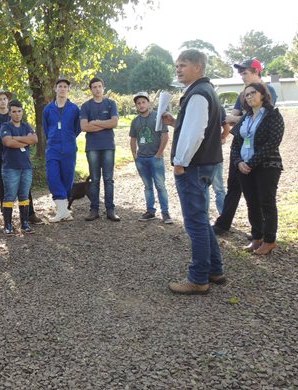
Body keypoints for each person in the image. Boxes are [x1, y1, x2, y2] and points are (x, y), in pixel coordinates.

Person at [161, 49, 225, 295]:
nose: (178, 69)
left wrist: (180, 162)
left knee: (195, 224)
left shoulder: (198, 94)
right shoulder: (206, 91)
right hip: (205, 164)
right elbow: (198, 127)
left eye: (183, 65)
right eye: (177, 65)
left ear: (198, 67)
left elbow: (196, 133)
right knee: (201, 220)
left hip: (193, 166)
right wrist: (175, 123)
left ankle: (198, 279)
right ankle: (215, 269)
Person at [213, 59, 277, 235]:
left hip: (259, 150)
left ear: (256, 72)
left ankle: (263, 233)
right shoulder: (243, 94)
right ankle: (223, 224)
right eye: (240, 73)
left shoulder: (268, 91)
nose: (242, 76)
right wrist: (234, 119)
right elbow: (232, 118)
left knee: (260, 195)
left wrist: (237, 119)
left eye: (245, 73)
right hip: (240, 145)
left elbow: (261, 117)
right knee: (233, 186)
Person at [230, 82, 284, 256]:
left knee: (266, 203)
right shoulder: (245, 118)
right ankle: (257, 237)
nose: (250, 96)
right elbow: (235, 143)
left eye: (253, 93)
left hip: (267, 166)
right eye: (246, 95)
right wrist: (239, 162)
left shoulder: (272, 115)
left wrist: (251, 162)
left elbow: (273, 142)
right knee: (251, 203)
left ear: (262, 94)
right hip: (244, 167)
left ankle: (270, 240)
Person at [0, 89, 43, 224]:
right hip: (0, 153)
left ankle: (30, 214)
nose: (3, 101)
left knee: (25, 185)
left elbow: (31, 136)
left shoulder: (16, 115)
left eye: (5, 98)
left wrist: (18, 140)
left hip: (18, 154)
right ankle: (6, 215)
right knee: (3, 184)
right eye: (0, 99)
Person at [80, 77, 120, 221]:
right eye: (94, 87)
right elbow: (84, 127)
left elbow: (114, 122)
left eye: (99, 86)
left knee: (109, 179)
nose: (97, 89)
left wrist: (96, 123)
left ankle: (110, 210)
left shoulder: (111, 104)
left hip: (108, 146)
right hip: (92, 147)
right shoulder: (85, 106)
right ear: (91, 89)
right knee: (95, 179)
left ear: (103, 87)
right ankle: (94, 209)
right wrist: (105, 124)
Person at [129, 91, 172, 224]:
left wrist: (159, 154)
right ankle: (150, 211)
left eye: (143, 102)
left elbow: (165, 136)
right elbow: (133, 139)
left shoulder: (158, 117)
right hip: (142, 158)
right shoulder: (135, 121)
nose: (141, 105)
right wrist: (135, 156)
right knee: (147, 186)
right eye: (138, 103)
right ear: (136, 106)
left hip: (155, 157)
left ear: (148, 103)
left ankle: (165, 212)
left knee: (160, 185)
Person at [43, 77, 81, 222]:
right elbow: (46, 128)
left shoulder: (74, 109)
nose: (62, 89)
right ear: (55, 89)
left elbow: (77, 128)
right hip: (53, 148)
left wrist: (69, 137)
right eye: (60, 86)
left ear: (68, 89)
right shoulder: (48, 109)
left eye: (65, 86)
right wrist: (54, 138)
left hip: (69, 148)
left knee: (68, 177)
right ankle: (63, 211)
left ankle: (63, 211)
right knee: (52, 176)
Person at [1, 100, 38, 234]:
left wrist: (16, 138)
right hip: (11, 167)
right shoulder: (5, 126)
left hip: (26, 167)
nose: (17, 114)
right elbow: (7, 142)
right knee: (9, 195)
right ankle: (8, 225)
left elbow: (34, 140)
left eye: (19, 111)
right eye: (14, 111)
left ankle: (25, 223)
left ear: (22, 112)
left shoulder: (27, 126)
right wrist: (24, 140)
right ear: (10, 113)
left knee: (24, 195)